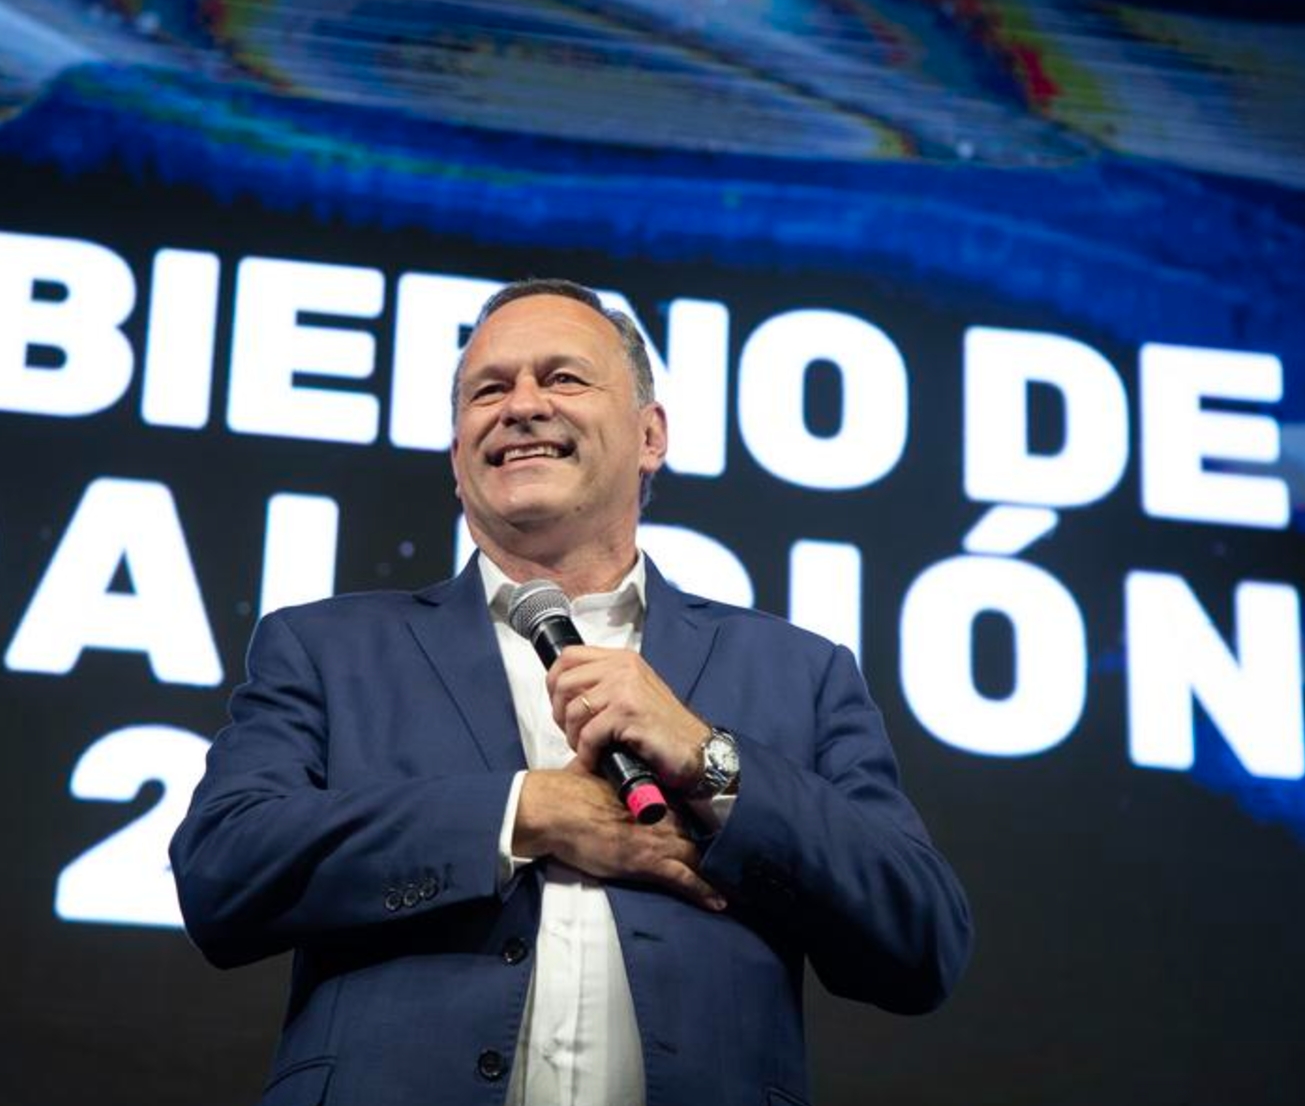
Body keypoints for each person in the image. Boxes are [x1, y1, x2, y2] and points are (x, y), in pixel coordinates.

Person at [170, 278, 972, 1106]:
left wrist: (708, 760)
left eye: (562, 378)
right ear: (457, 457)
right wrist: (522, 812)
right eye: (489, 389)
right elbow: (222, 868)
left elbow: (920, 939)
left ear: (649, 433)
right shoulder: (328, 647)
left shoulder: (799, 671)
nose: (521, 405)